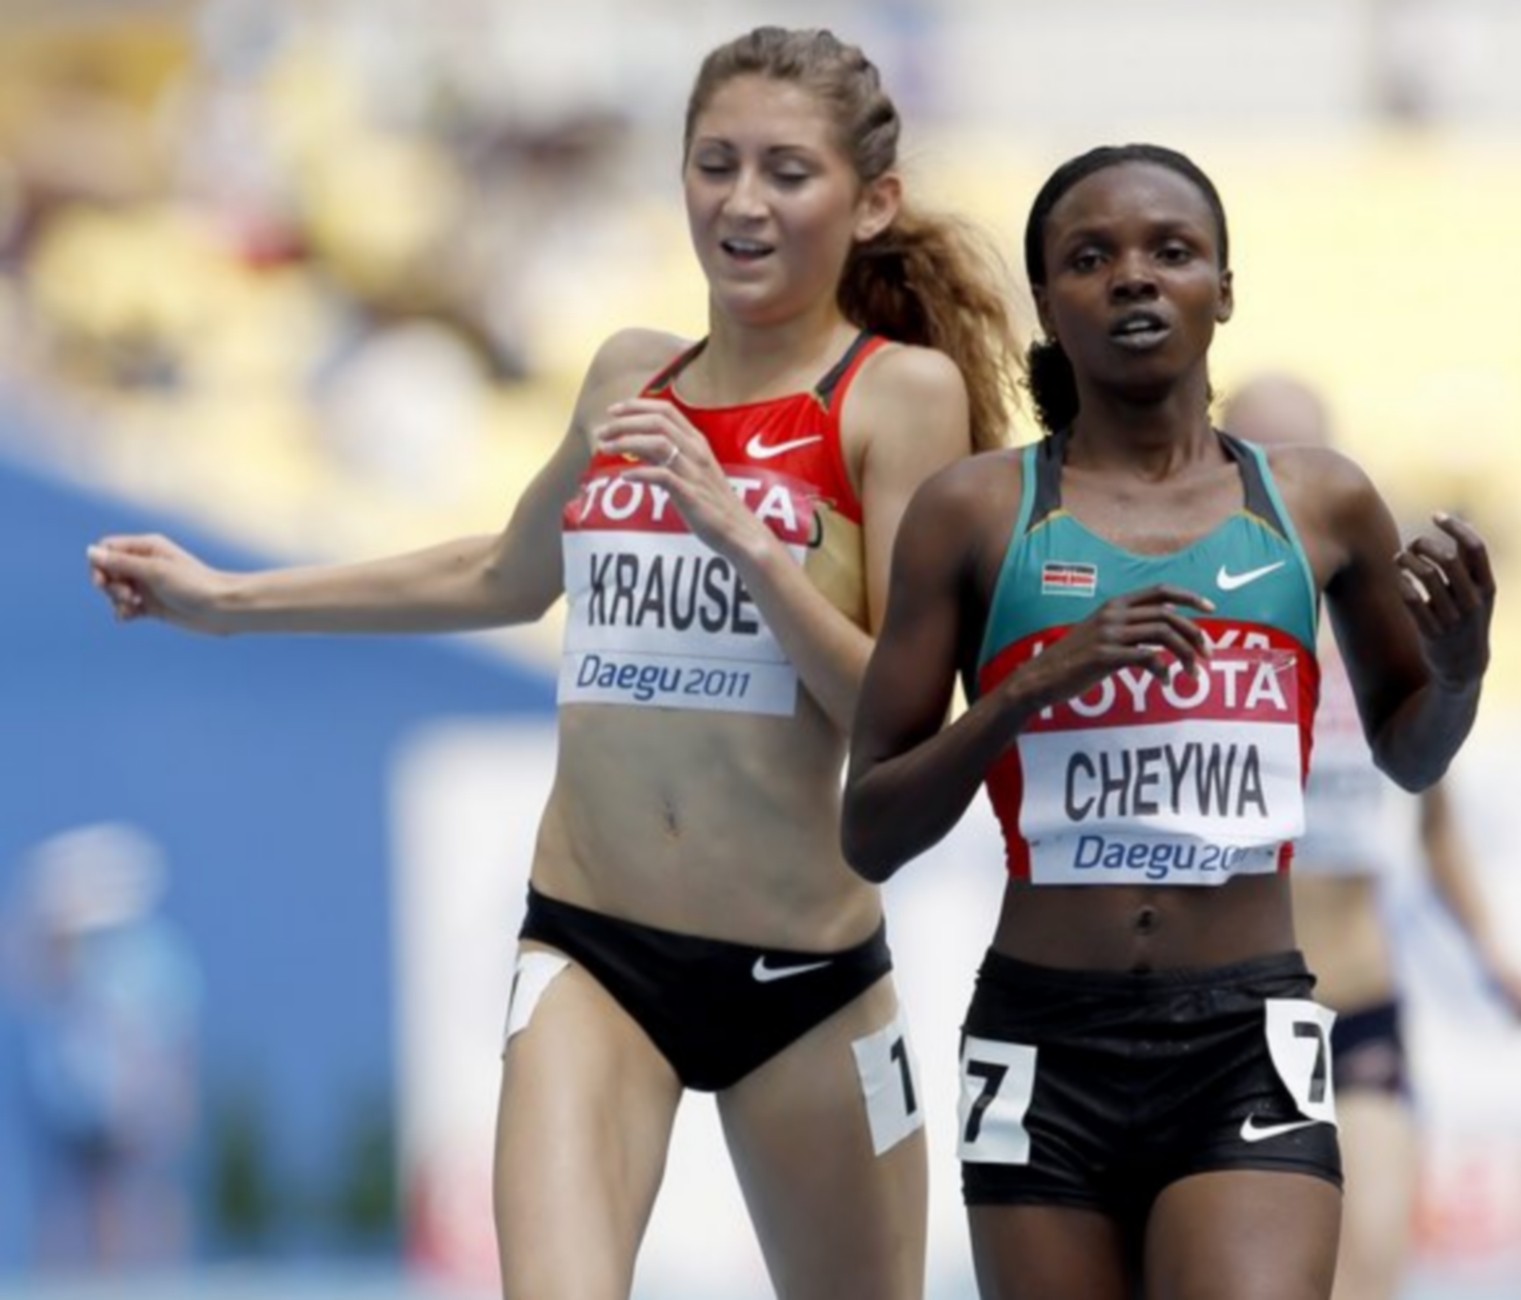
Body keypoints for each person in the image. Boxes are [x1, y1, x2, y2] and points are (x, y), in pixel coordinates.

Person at [85, 26, 1019, 1300]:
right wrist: (226, 598)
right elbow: (502, 574)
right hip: (590, 953)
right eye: (714, 163)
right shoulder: (629, 376)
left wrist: (747, 541)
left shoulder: (893, 397)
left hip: (806, 979)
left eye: (787, 172)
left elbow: (904, 722)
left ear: (872, 204)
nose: (742, 202)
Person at [842, 143, 1497, 1300]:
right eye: (1090, 258)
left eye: (1170, 252)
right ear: (1047, 303)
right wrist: (1025, 690)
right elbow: (871, 828)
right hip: (1038, 1038)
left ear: (1224, 288)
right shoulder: (975, 513)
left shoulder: (1318, 500)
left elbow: (1409, 754)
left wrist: (1453, 673)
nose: (1132, 278)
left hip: (1245, 1029)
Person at [1222, 373, 1521, 1300]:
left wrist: (1490, 951)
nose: (1281, 484)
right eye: (1255, 460)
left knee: (1369, 1272)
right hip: (1230, 1011)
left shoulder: (1385, 626)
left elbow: (1431, 812)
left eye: (1302, 458)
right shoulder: (1197, 619)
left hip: (1361, 1006)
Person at [5, 823, 202, 1272]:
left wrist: (176, 1100)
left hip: (136, 1108)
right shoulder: (57, 954)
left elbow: (174, 1034)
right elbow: (23, 980)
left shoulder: (150, 955)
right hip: (72, 1110)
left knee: (140, 1203)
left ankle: (151, 1281)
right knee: (73, 1209)